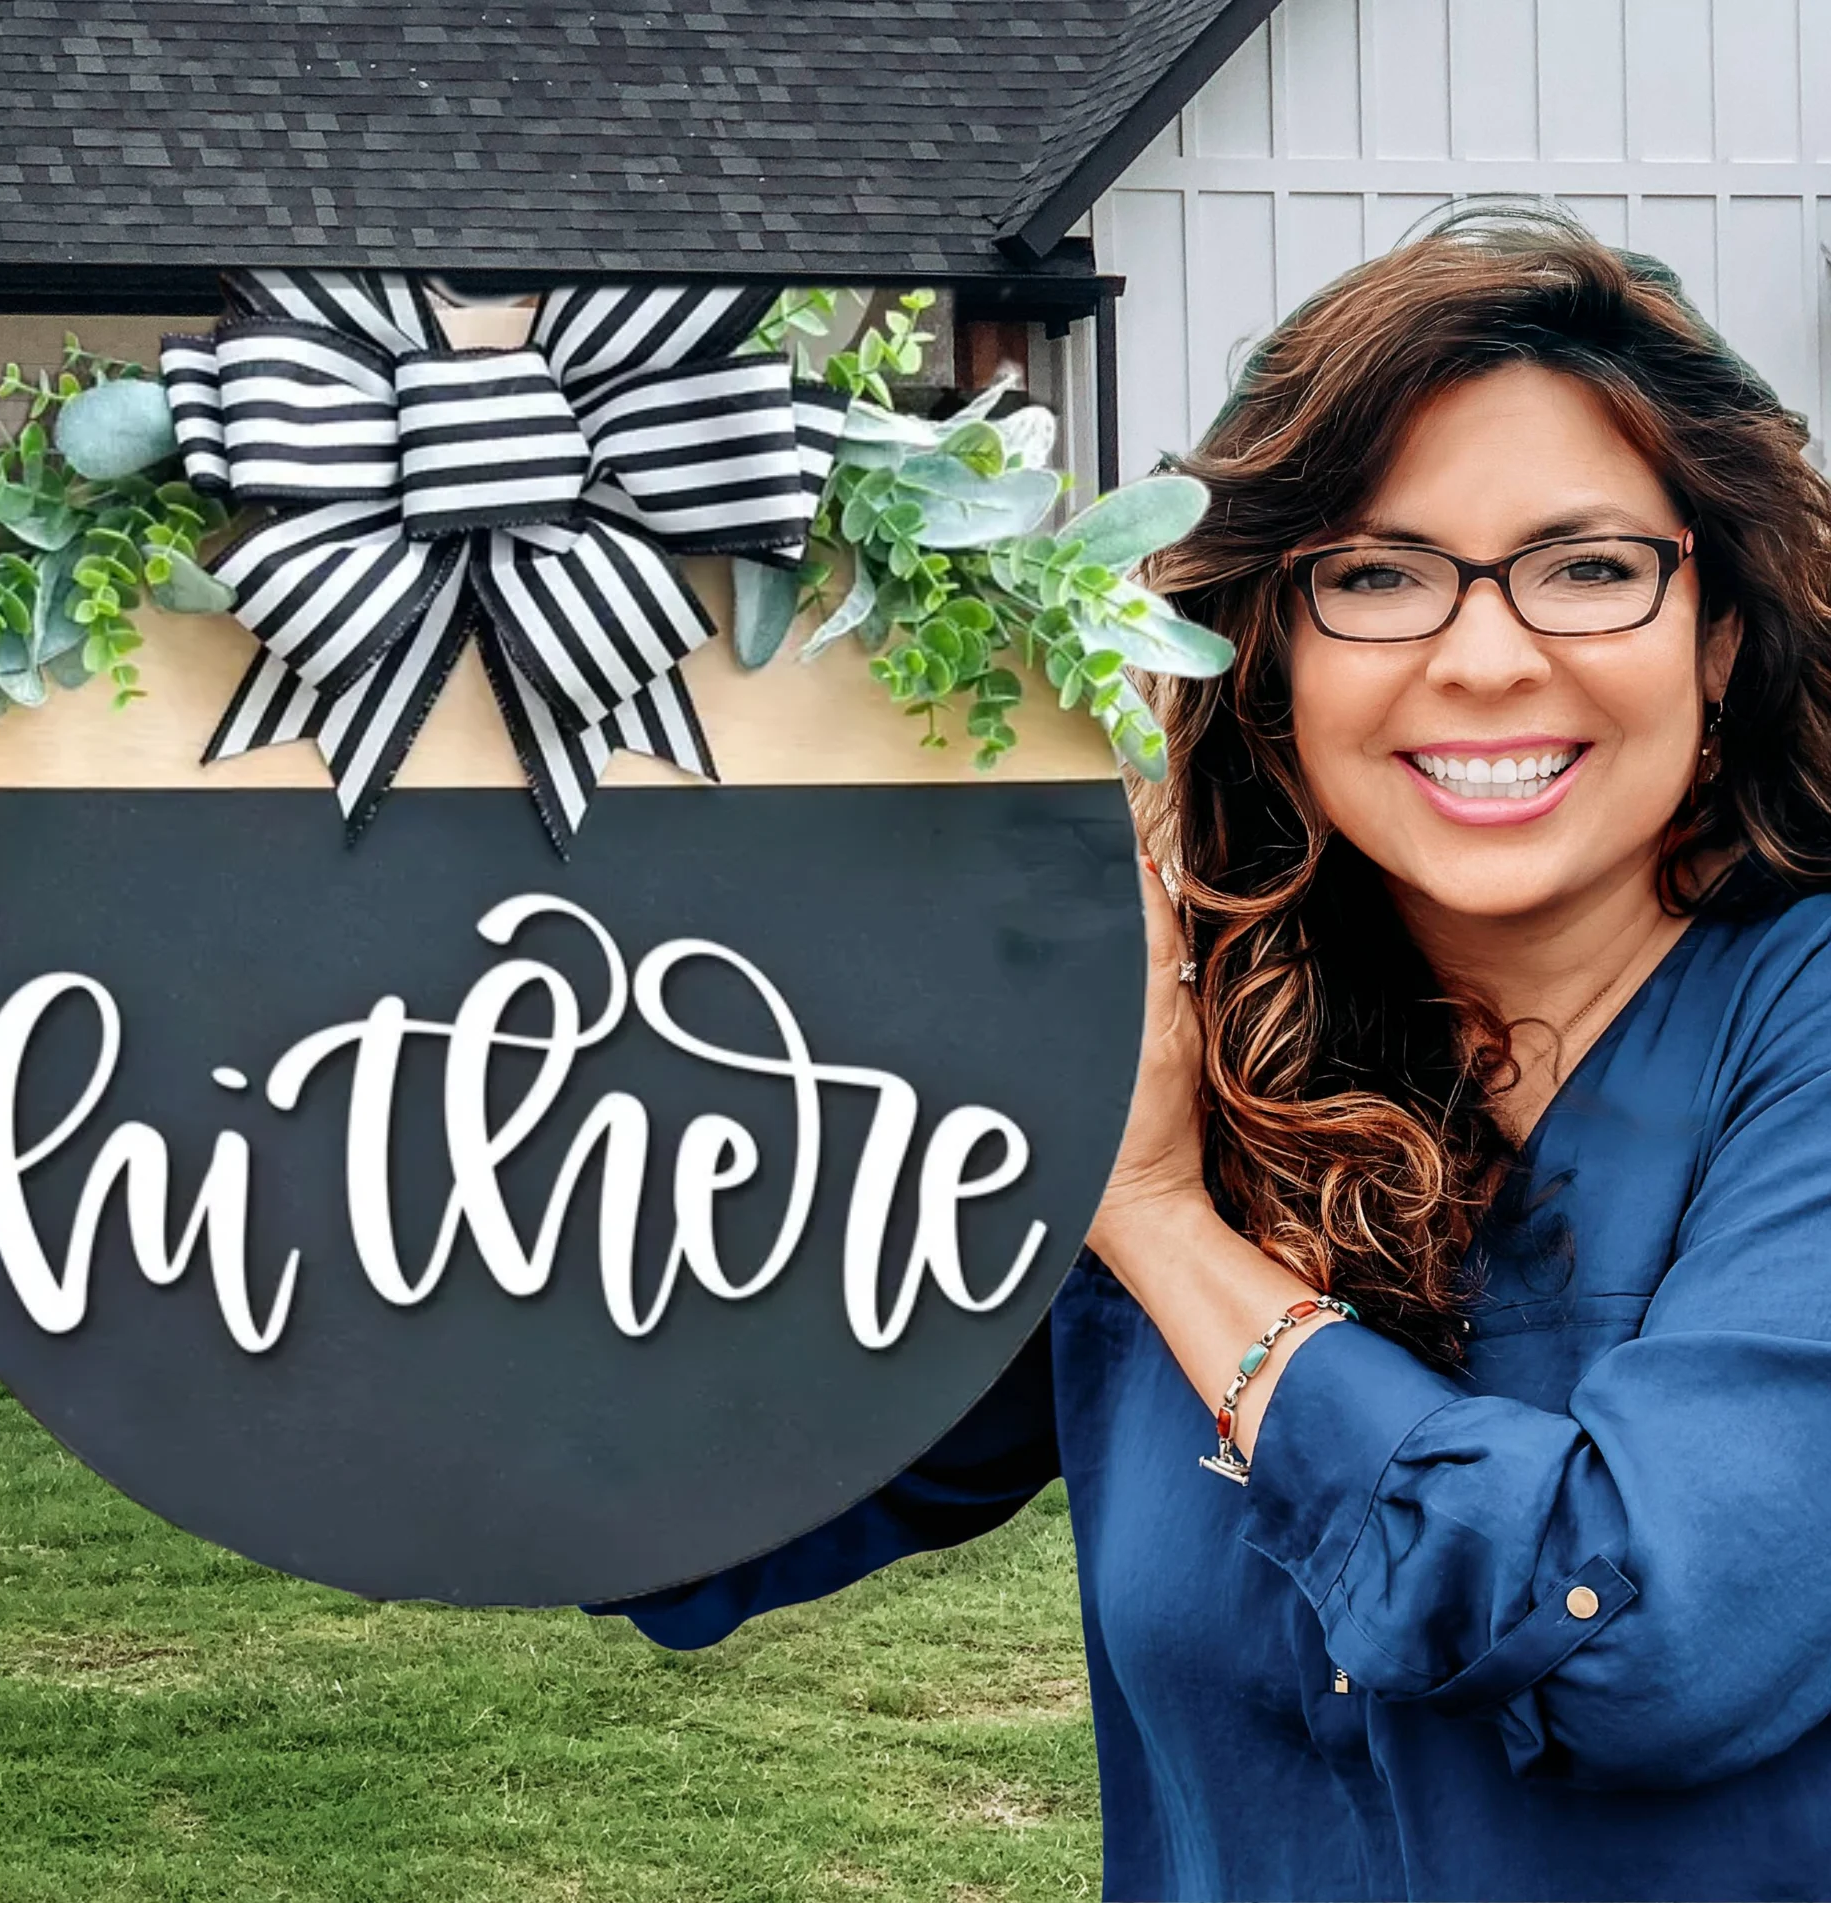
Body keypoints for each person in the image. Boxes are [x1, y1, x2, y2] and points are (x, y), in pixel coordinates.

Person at [594, 208, 1831, 1900]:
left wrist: (1165, 1224)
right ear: (1270, 651)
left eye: (1590, 566)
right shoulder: (1199, 1036)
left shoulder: (1796, 1034)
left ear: (1722, 633)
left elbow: (1647, 1638)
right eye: (1376, 576)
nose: (1482, 656)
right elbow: (690, 1500)